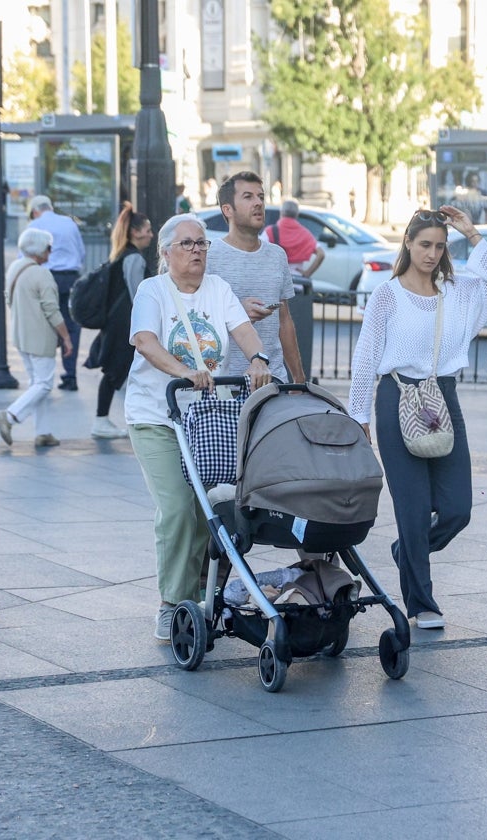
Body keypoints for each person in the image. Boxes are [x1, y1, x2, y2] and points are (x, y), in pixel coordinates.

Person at [348, 205, 487, 630]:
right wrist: (357, 413)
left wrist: (471, 233)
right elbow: (365, 357)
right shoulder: (387, 295)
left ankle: (409, 551)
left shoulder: (457, 293)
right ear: (408, 243)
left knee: (458, 509)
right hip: (394, 397)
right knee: (414, 509)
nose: (432, 253)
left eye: (439, 246)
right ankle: (421, 603)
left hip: (442, 398)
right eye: (424, 244)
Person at [125, 213, 273, 640]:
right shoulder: (152, 291)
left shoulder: (218, 289)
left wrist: (258, 358)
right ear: (166, 251)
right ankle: (172, 604)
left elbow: (242, 330)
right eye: (187, 244)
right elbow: (146, 341)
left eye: (202, 244)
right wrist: (185, 371)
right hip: (156, 416)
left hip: (206, 420)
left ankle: (208, 593)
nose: (196, 251)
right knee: (177, 508)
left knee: (216, 509)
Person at [205, 171, 305, 383]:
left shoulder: (277, 255)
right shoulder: (209, 256)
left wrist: (297, 377)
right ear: (227, 209)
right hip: (225, 383)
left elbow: (284, 321)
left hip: (274, 380)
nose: (258, 203)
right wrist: (236, 313)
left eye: (261, 196)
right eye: (248, 197)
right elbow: (197, 320)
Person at [0, 228, 74, 448]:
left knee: (36, 383)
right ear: (40, 249)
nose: (51, 250)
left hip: (21, 334)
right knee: (44, 385)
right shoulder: (41, 274)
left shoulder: (15, 267)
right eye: (48, 247)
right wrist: (66, 337)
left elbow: (8, 298)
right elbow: (52, 310)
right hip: (40, 337)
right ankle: (9, 416)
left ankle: (43, 431)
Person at [86, 203, 153, 439]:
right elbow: (139, 294)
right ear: (135, 232)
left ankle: (106, 419)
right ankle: (101, 420)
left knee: (117, 372)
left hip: (116, 323)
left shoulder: (122, 254)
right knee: (115, 372)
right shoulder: (134, 258)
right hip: (124, 325)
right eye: (147, 230)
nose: (150, 234)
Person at [26, 195, 87, 391]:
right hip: (70, 279)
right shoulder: (69, 223)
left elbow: (24, 257)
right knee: (71, 327)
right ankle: (70, 375)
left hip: (44, 277)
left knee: (44, 326)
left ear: (35, 211)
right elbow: (81, 252)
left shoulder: (34, 225)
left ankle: (44, 377)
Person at [263, 198, 325, 280]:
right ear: (297, 214)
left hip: (275, 283)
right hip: (297, 282)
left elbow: (257, 252)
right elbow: (321, 254)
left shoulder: (269, 231)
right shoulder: (305, 233)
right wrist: (307, 273)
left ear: (281, 213)